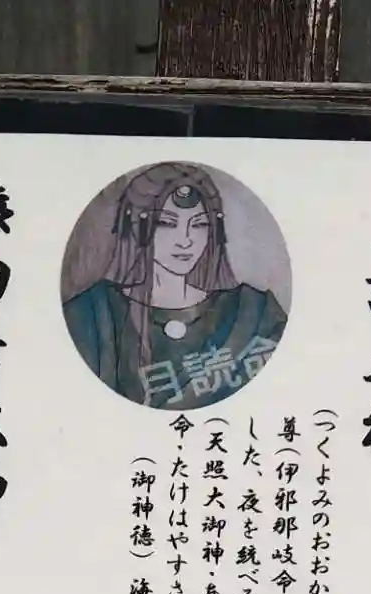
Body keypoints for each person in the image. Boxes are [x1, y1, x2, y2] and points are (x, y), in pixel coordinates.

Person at [63, 163, 287, 410]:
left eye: (199, 225)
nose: (186, 240)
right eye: (167, 223)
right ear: (135, 226)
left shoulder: (253, 315)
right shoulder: (94, 315)